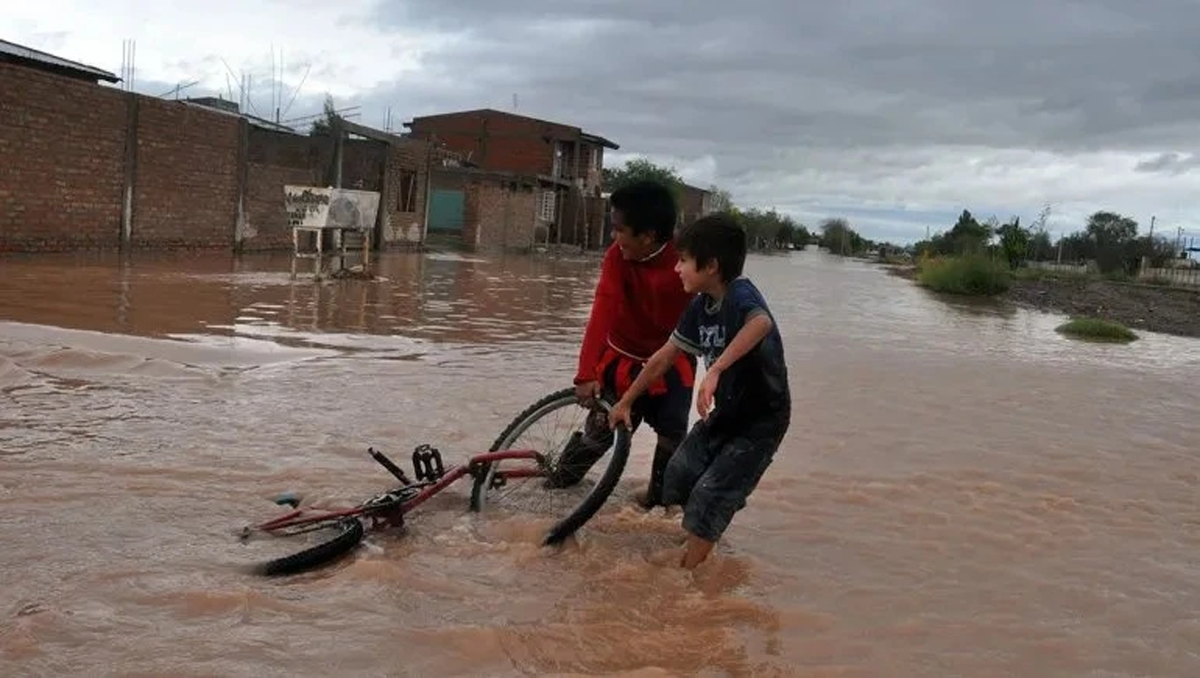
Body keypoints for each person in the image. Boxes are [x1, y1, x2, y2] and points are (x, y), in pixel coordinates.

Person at [608, 212, 791, 568]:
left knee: (711, 494)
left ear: (710, 266)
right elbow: (663, 357)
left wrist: (717, 368)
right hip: (726, 413)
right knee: (678, 474)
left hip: (760, 421)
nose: (677, 268)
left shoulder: (740, 294)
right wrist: (626, 402)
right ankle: (704, 529)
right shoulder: (699, 308)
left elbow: (761, 323)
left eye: (683, 260)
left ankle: (686, 575)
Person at [550, 180, 697, 509]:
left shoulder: (686, 260)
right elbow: (602, 310)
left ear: (647, 236)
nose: (613, 237)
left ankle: (657, 508)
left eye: (619, 230)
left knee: (672, 440)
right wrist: (586, 372)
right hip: (621, 362)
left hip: (672, 365)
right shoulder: (617, 256)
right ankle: (555, 485)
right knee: (595, 438)